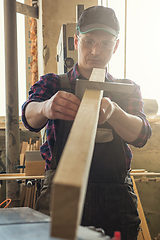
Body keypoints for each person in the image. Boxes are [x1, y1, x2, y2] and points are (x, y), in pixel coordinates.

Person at [22, 6, 152, 240]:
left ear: (116, 46)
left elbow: (141, 134)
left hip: (116, 200)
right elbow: (28, 118)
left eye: (104, 43)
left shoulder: (126, 89)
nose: (95, 51)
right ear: (76, 40)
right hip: (61, 195)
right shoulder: (53, 83)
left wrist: (114, 111)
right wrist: (46, 107)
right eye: (89, 41)